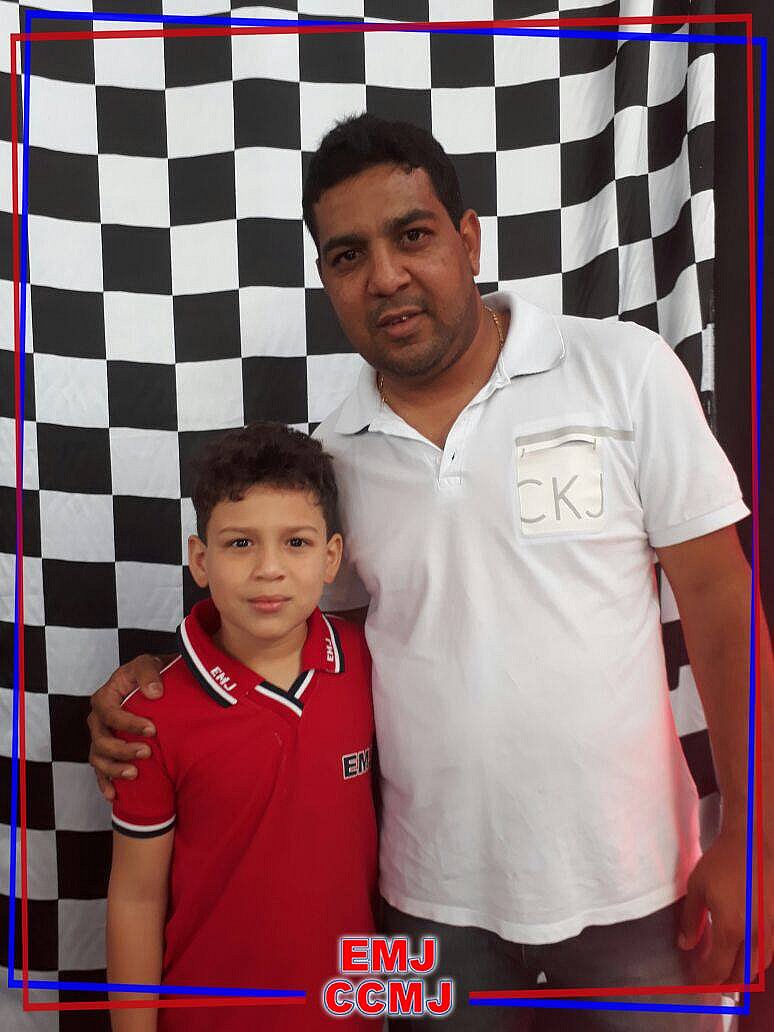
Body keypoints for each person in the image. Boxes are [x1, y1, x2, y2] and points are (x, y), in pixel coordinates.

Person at [90, 115, 773, 1031]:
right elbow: (291, 638)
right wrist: (154, 688)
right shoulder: (333, 459)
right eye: (348, 255)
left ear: (468, 238)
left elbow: (720, 599)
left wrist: (755, 838)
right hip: (429, 905)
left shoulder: (621, 370)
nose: (385, 276)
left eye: (411, 235)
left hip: (640, 889)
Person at [104, 422, 377, 1031]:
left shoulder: (369, 663)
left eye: (296, 542)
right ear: (201, 560)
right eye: (240, 543)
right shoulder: (151, 715)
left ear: (332, 557)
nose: (269, 569)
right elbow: (136, 899)